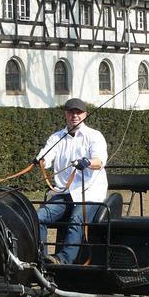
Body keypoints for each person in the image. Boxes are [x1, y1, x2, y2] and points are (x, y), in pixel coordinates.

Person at [35, 98, 108, 264]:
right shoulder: (56, 137)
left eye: (78, 112)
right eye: (71, 112)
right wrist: (40, 160)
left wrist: (88, 162)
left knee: (76, 219)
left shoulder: (94, 136)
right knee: (37, 217)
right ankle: (41, 259)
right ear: (65, 114)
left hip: (89, 194)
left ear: (85, 115)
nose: (75, 115)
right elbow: (46, 157)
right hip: (65, 193)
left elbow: (99, 161)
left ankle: (63, 260)